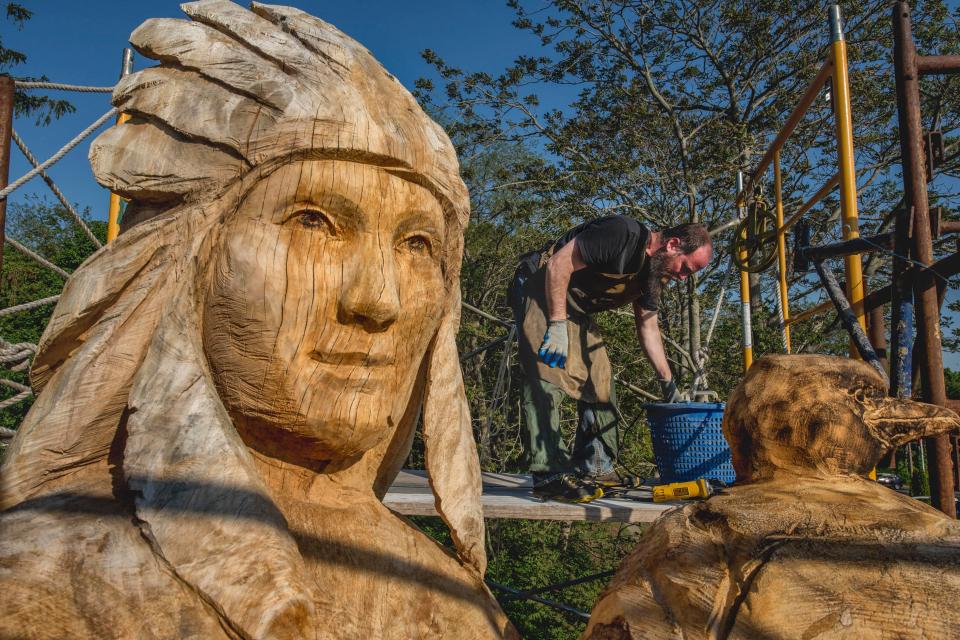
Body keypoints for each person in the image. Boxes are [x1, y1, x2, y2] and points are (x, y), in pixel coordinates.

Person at [0, 3, 515, 638]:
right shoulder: (46, 584)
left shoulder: (457, 605)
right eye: (314, 223)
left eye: (416, 245)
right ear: (189, 258)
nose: (379, 301)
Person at [508, 216, 712, 503]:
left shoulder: (653, 275)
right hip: (540, 285)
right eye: (686, 268)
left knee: (599, 375)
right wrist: (556, 325)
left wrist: (668, 383)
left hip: (574, 306)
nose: (683, 278)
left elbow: (648, 326)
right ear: (673, 244)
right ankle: (549, 474)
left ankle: (595, 467)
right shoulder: (622, 235)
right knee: (548, 370)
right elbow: (558, 265)